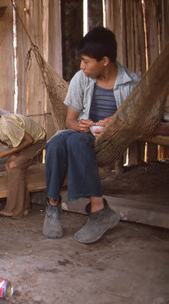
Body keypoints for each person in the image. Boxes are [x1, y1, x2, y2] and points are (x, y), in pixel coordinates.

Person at [43, 26, 141, 244]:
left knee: (69, 141)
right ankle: (55, 207)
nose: (81, 66)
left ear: (104, 60)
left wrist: (117, 122)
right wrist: (79, 125)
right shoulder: (81, 79)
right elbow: (69, 121)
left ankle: (95, 211)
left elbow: (142, 120)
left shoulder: (132, 83)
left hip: (111, 141)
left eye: (86, 61)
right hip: (82, 138)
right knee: (55, 144)